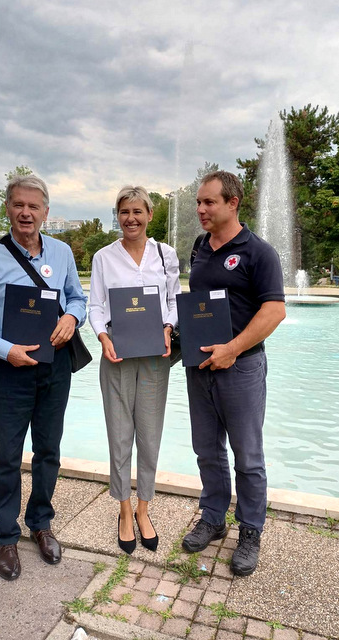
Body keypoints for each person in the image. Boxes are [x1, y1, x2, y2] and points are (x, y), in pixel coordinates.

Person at [0, 174, 87, 581]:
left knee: (48, 450)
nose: (26, 213)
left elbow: (78, 298)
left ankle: (41, 522)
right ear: (8, 209)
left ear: (46, 212)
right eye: (18, 205)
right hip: (7, 370)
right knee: (7, 454)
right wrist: (4, 349)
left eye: (34, 206)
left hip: (54, 366)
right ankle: (6, 536)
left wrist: (72, 317)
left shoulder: (62, 252)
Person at [182, 171, 286, 576]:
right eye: (198, 202)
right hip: (200, 365)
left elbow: (274, 311)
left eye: (209, 202)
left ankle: (250, 530)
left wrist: (232, 349)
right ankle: (213, 517)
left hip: (241, 367)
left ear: (232, 203)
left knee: (248, 456)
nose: (200, 209)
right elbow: (198, 303)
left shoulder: (259, 252)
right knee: (207, 450)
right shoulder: (199, 247)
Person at [89, 185, 181, 554]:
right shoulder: (104, 257)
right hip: (117, 351)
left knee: (150, 433)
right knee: (119, 434)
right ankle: (124, 511)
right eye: (124, 212)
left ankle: (144, 508)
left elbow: (174, 300)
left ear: (149, 215)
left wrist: (168, 326)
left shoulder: (165, 254)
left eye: (137, 211)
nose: (131, 218)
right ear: (118, 216)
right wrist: (102, 337)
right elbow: (96, 306)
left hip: (155, 352)